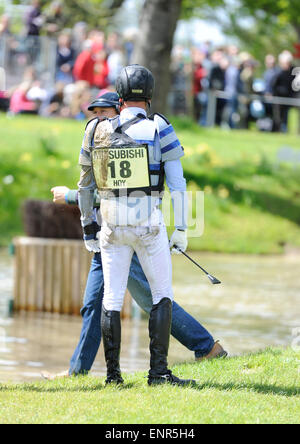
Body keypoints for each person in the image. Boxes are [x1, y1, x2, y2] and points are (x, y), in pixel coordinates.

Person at [43, 92, 227, 381]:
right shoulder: (101, 135)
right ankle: (79, 370)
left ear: (117, 110)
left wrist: (68, 196)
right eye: (95, 112)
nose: (99, 118)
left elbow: (109, 193)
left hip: (124, 233)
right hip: (109, 236)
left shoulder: (129, 139)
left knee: (147, 298)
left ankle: (204, 346)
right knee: (95, 303)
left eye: (104, 111)